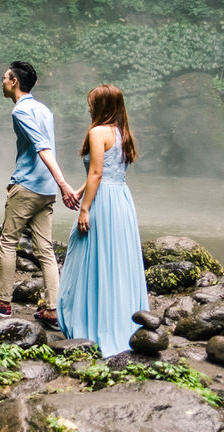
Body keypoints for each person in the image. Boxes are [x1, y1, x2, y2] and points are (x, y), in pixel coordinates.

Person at [0, 61, 79, 327]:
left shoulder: (20, 112)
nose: (2, 81)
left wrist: (64, 183)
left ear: (14, 83)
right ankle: (52, 310)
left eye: (5, 77)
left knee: (8, 242)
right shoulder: (44, 109)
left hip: (28, 186)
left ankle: (2, 302)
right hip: (45, 190)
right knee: (45, 249)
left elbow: (42, 147)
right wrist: (56, 186)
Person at [57, 84, 148, 357]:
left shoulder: (97, 132)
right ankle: (121, 321)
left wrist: (84, 209)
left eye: (92, 103)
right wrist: (79, 190)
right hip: (120, 201)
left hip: (103, 202)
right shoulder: (121, 133)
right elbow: (105, 172)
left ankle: (92, 324)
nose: (88, 107)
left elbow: (97, 174)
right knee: (116, 261)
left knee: (90, 257)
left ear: (103, 106)